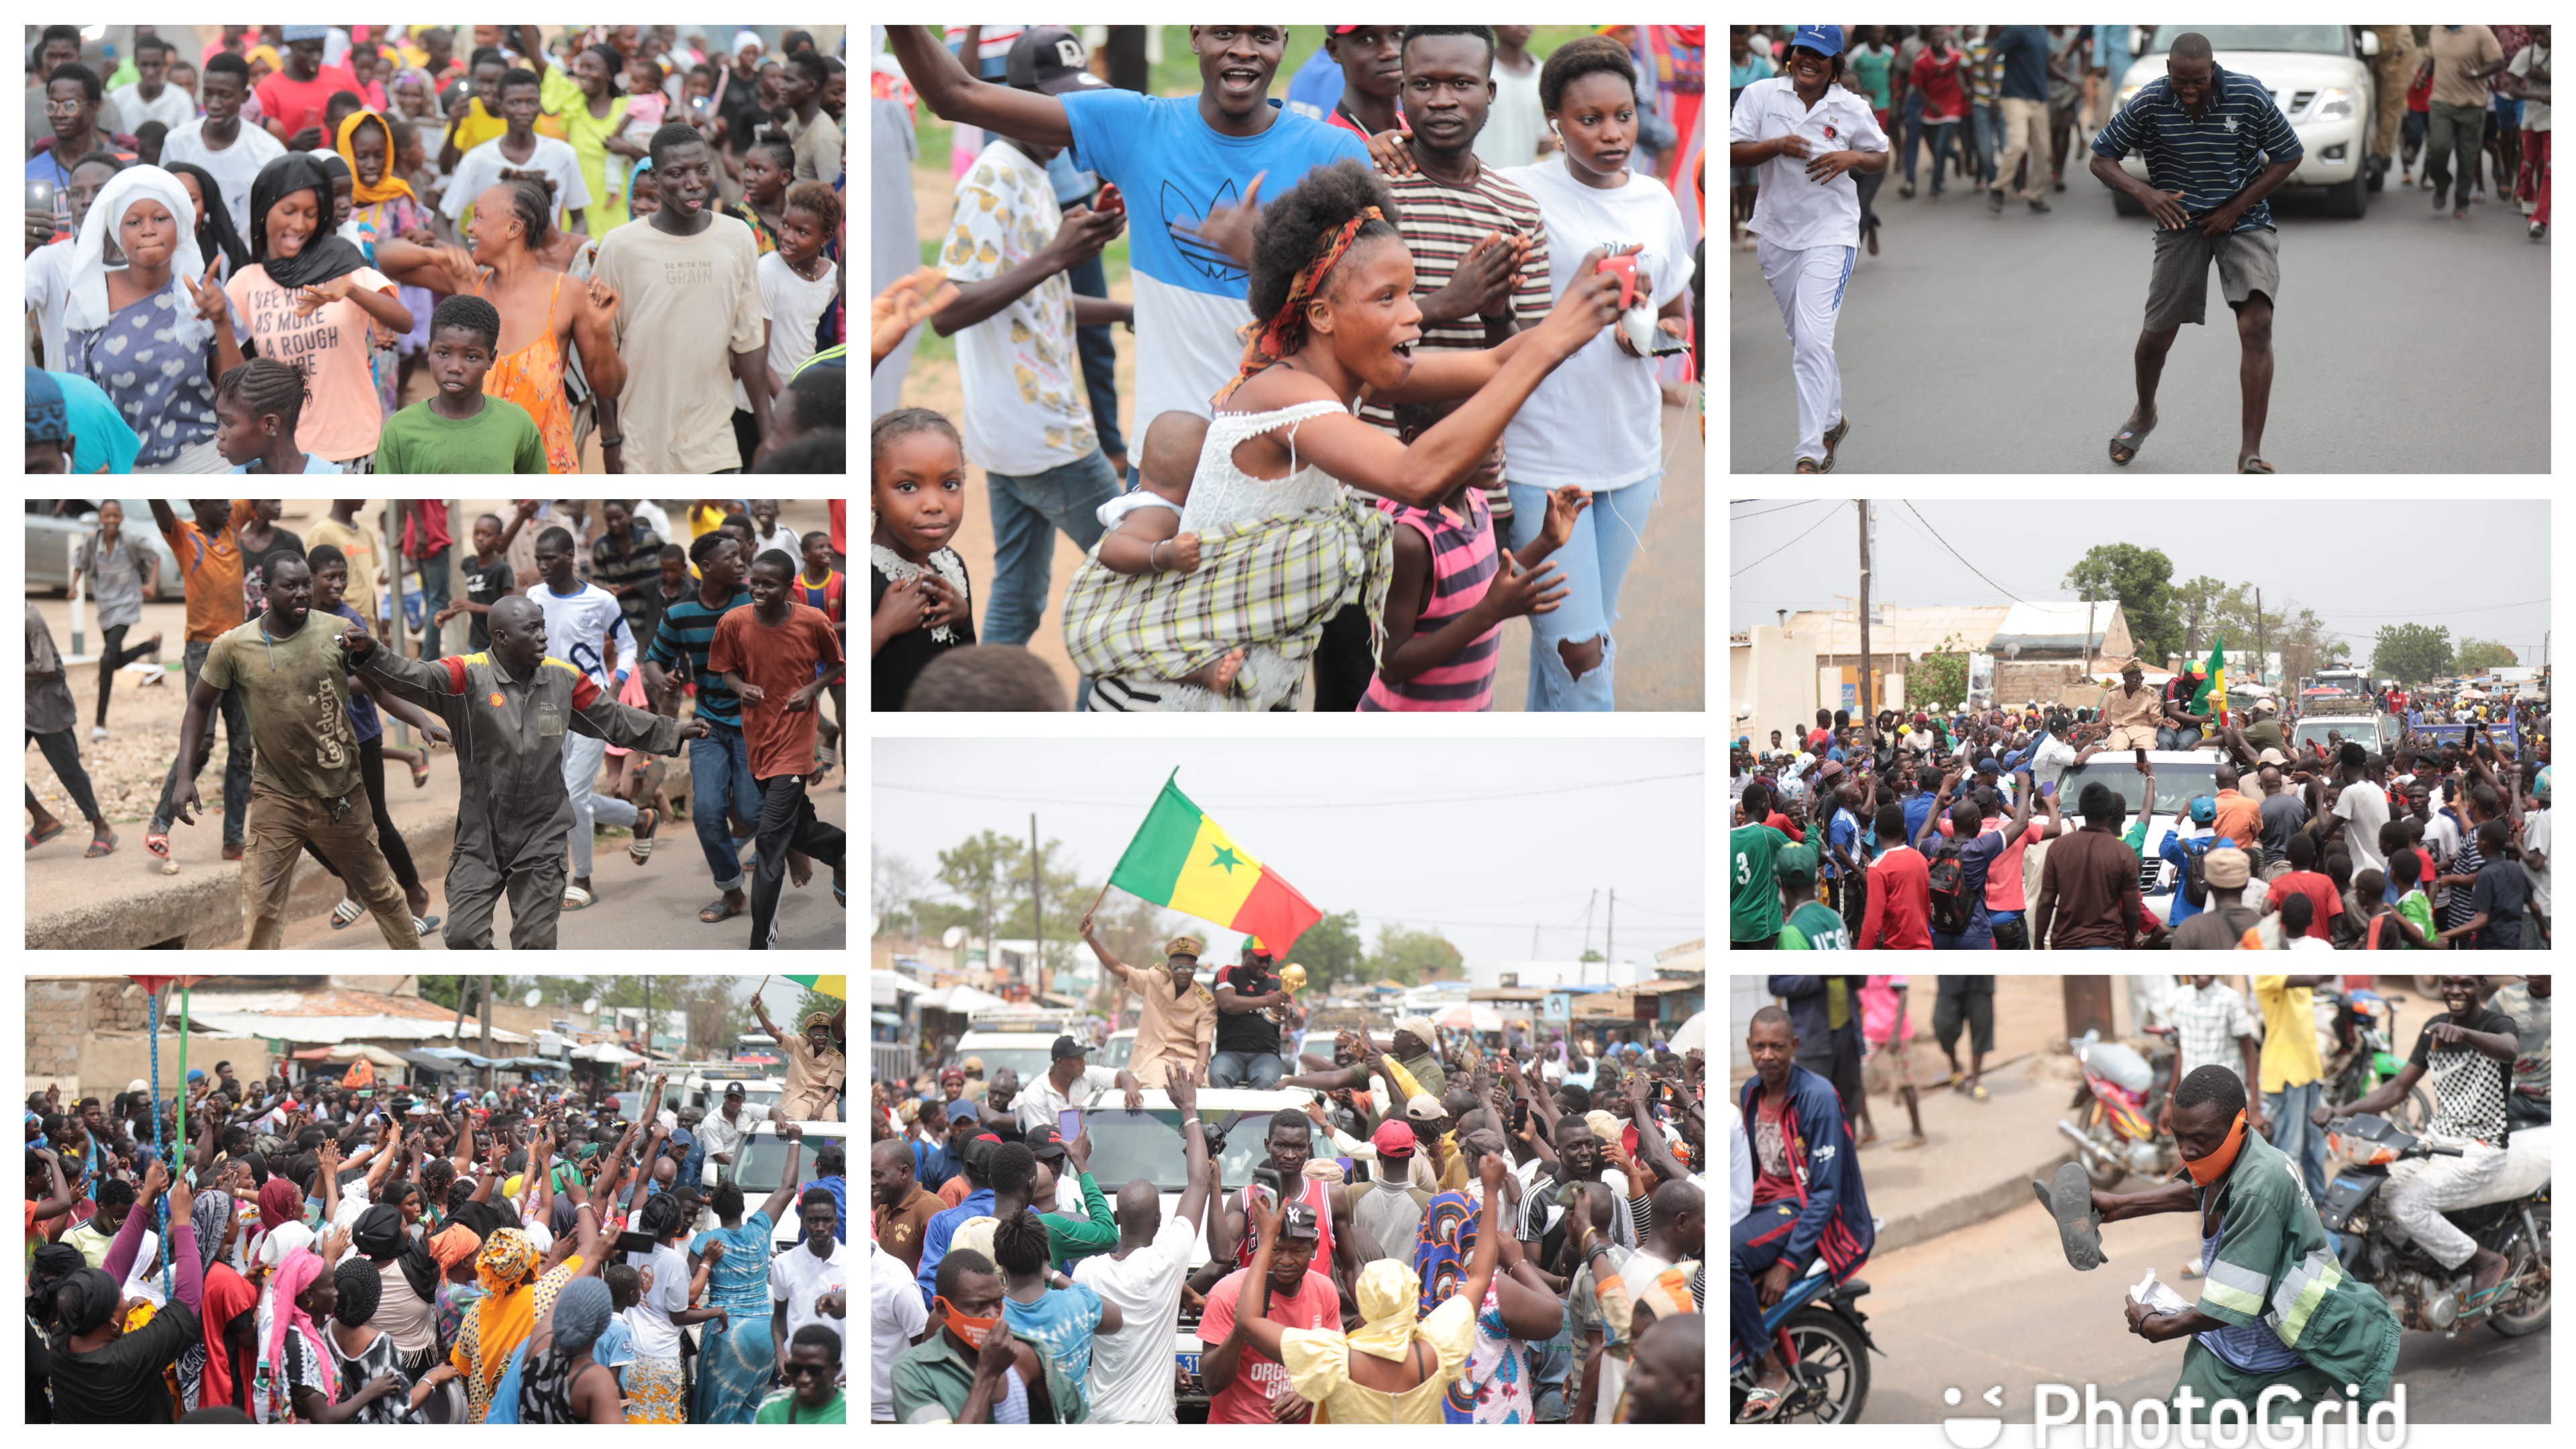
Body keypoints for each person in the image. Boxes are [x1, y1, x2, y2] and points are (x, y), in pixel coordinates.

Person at [337, 596, 702, 949]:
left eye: (543, 627)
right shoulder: (467, 675)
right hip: (480, 831)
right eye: (533, 629)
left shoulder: (564, 680)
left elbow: (616, 718)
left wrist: (673, 731)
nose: (544, 636)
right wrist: (372, 652)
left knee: (535, 943)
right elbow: (413, 675)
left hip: (542, 831)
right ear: (502, 637)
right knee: (464, 936)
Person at [2090, 1065, 2400, 1422]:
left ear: (2239, 1124)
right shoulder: (2227, 1157)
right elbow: (2200, 1190)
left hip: (2287, 1360)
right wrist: (2122, 1205)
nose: (2187, 1151)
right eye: (2179, 1137)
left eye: (2200, 1139)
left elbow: (2228, 1304)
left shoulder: (2259, 1186)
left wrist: (2157, 1326)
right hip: (2224, 1352)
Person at [1727, 26, 1890, 473]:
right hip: (1777, 235)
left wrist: (1851, 158)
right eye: (1802, 51)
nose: (1808, 61)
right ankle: (1833, 421)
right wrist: (1777, 145)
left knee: (1814, 340)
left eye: (1820, 55)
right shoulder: (1762, 95)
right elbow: (1731, 152)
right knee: (1804, 341)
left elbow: (1881, 156)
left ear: (1835, 63)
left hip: (1831, 233)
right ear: (1790, 54)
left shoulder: (1850, 107)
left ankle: (1810, 452)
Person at [590, 123, 772, 472]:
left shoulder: (736, 238)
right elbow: (602, 350)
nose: (694, 183)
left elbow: (749, 343)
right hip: (641, 446)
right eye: (677, 173)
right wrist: (611, 441)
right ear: (655, 179)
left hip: (714, 444)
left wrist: (768, 435)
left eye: (702, 170)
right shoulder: (620, 246)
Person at [294, 543, 443, 936]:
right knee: (306, 824)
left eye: (343, 576)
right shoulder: (299, 621)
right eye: (330, 577)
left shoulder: (348, 622)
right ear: (310, 580)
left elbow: (375, 682)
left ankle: (416, 894)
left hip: (360, 734)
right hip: (319, 741)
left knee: (376, 819)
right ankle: (356, 886)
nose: (339, 583)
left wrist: (421, 720)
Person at [225, 156, 411, 470]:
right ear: (263, 210)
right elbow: (230, 376)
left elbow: (403, 321)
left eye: (311, 214)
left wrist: (352, 291)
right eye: (289, 211)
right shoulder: (247, 281)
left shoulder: (341, 261)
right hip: (285, 449)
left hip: (353, 442)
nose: (300, 225)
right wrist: (218, 318)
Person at [1733, 1006, 1871, 1421]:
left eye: (1778, 1046)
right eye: (1760, 1046)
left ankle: (1769, 1365)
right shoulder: (1750, 1093)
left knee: (1727, 1255)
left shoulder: (1818, 1097)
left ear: (1794, 1046)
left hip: (1802, 1207)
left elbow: (1826, 1190)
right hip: (1762, 1206)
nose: (1768, 1055)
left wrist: (1787, 1264)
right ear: (1749, 1048)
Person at [710, 549, 848, 943]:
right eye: (755, 581)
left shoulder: (813, 621)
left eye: (769, 584)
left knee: (770, 841)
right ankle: (843, 853)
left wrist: (812, 689)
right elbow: (725, 670)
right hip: (759, 740)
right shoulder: (734, 622)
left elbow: (838, 664)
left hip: (795, 741)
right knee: (798, 828)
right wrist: (741, 687)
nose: (758, 589)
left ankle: (762, 943)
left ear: (790, 588)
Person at [685, 1126, 807, 1423]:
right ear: (743, 1207)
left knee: (719, 1414)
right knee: (749, 1412)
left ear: (713, 1206)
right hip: (765, 1334)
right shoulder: (760, 1227)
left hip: (728, 1335)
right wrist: (795, 1140)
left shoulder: (705, 1242)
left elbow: (684, 1294)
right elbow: (788, 1187)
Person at [372, 294, 555, 475]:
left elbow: (534, 500)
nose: (454, 368)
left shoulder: (517, 424)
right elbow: (386, 503)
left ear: (491, 359)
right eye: (443, 353)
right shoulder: (400, 429)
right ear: (429, 351)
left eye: (471, 357)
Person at [1078, 920, 1216, 1089]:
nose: (1185, 973)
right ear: (1169, 967)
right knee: (1153, 1090)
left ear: (1196, 968)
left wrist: (1200, 1068)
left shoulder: (1205, 1000)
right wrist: (1090, 938)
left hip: (1189, 1059)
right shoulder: (1153, 980)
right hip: (1155, 1057)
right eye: (1179, 968)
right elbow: (1117, 967)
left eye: (1190, 968)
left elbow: (1204, 1042)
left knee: (1201, 1090)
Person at [2424, 27, 2507, 220]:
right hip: (2442, 101)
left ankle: (2462, 201)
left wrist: (2476, 73)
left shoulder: (2480, 31)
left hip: (2472, 104)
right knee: (2438, 147)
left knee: (2468, 157)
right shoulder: (2436, 29)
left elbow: (2498, 62)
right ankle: (2442, 183)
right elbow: (2431, 57)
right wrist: (2424, 74)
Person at [752, 988, 848, 1123]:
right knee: (796, 1121)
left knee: (831, 1122)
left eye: (825, 1035)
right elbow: (774, 1032)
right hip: (800, 1096)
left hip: (824, 1099)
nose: (821, 1038)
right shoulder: (798, 1044)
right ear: (809, 1036)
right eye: (817, 1035)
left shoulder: (837, 1058)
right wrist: (758, 1010)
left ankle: (829, 1146)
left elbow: (833, 1088)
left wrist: (822, 1106)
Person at [760, 1324, 845, 1423]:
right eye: (795, 1369)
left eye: (815, 1370)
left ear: (836, 1369)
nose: (803, 1379)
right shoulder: (771, 1408)